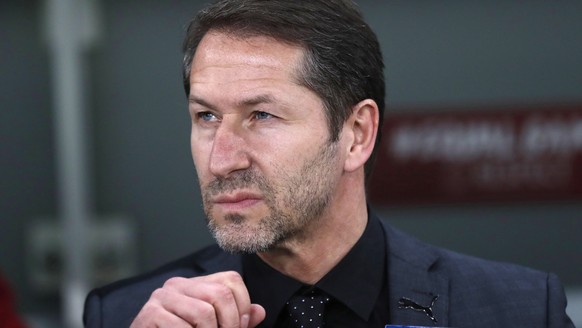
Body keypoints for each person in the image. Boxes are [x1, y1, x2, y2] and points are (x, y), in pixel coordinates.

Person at [83, 0, 574, 327]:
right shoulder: (124, 315)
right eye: (206, 115)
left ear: (356, 134)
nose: (221, 159)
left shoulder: (520, 310)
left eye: (261, 115)